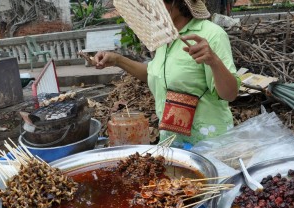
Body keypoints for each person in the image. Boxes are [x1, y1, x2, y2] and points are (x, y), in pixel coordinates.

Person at [93, 0, 240, 148]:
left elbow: (230, 94)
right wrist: (117, 59)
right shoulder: (165, 37)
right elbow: (153, 73)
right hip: (172, 141)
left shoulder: (212, 34)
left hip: (210, 143)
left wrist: (214, 61)